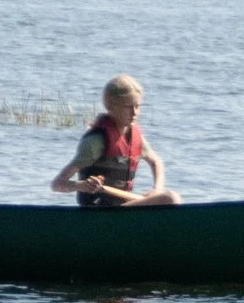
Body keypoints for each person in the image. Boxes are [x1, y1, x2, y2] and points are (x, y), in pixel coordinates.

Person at [51, 76, 180, 207]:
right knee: (171, 199)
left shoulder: (135, 137)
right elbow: (57, 184)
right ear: (110, 106)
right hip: (98, 210)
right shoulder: (95, 142)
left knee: (170, 198)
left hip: (122, 208)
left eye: (137, 106)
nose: (134, 113)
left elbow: (156, 162)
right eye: (128, 107)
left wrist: (157, 189)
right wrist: (82, 185)